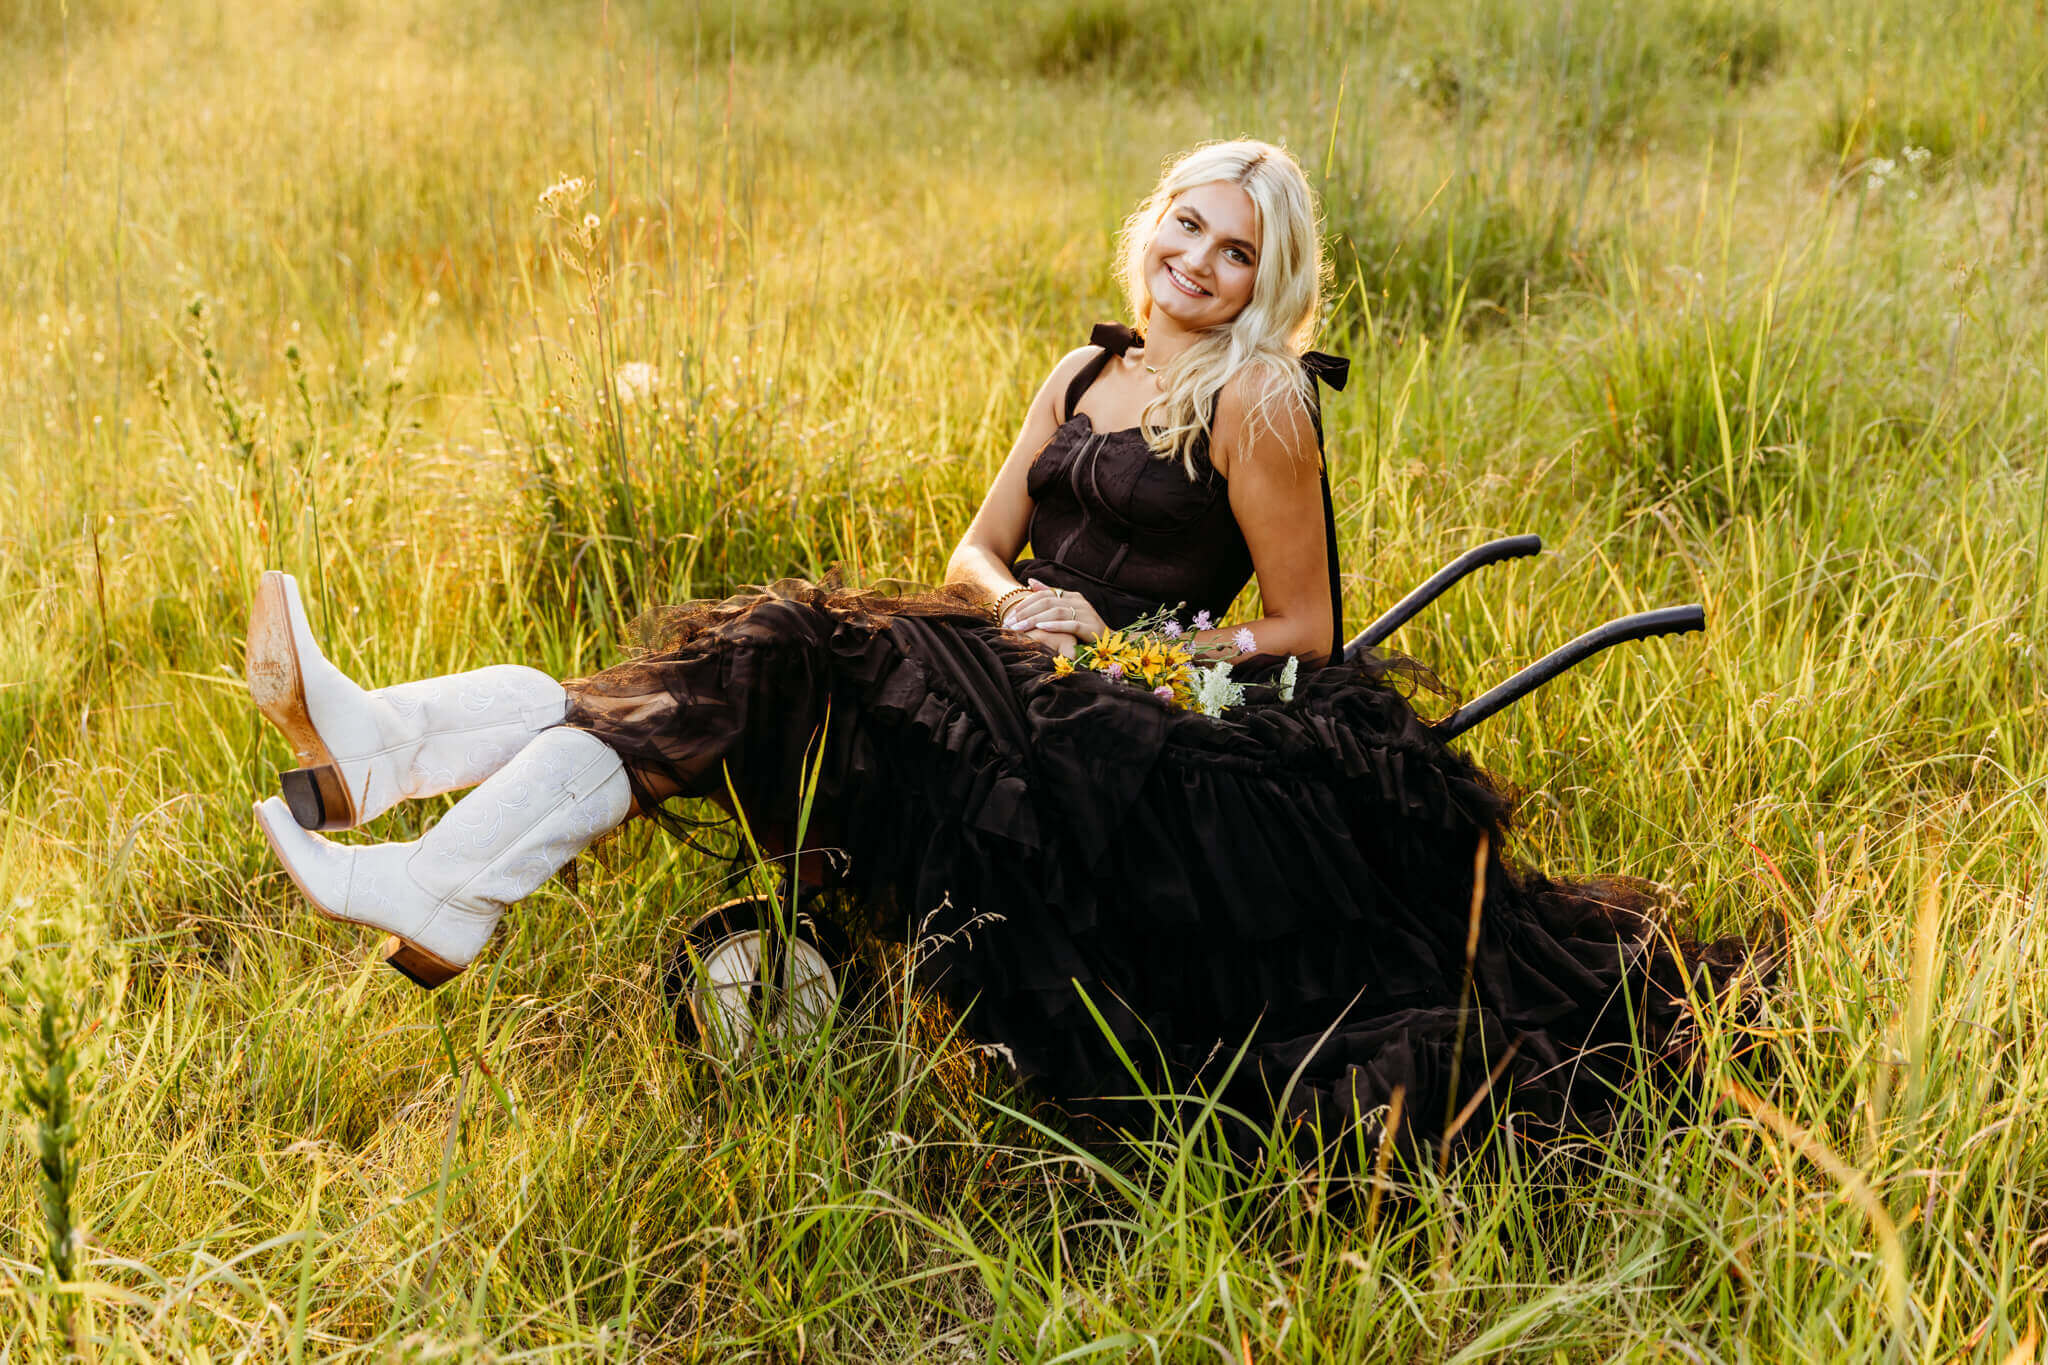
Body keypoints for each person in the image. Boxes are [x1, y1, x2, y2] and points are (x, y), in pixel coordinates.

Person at [248, 140, 1751, 1163]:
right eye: (1186, 225)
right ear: (1150, 221)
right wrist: (1015, 598)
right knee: (757, 658)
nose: (1200, 262)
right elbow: (976, 545)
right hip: (1011, 657)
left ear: (1271, 279)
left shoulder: (1262, 403)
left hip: (1146, 720)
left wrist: (1128, 642)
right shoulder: (1086, 367)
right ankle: (406, 795)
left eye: (1239, 251)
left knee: (771, 650)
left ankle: (417, 809)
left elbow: (1308, 631)